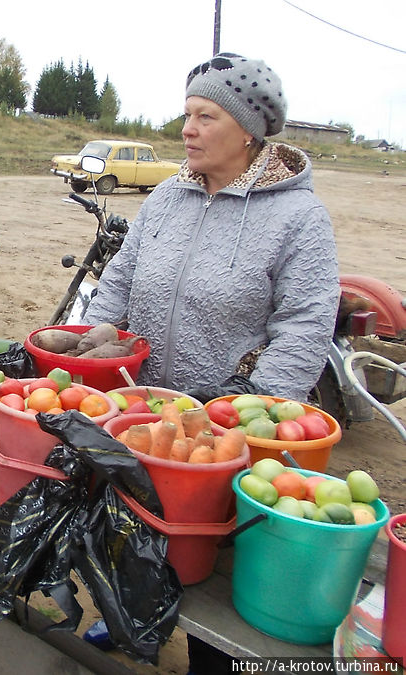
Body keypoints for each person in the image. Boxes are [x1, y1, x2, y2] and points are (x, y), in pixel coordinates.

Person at [83, 53, 339, 675]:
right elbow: (118, 280)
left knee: (207, 553)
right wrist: (96, 341)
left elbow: (305, 325)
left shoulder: (299, 217)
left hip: (221, 425)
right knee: (127, 518)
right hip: (139, 405)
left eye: (205, 116)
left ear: (249, 130)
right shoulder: (168, 196)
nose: (187, 130)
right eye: (186, 114)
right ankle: (125, 616)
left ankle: (210, 656)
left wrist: (252, 414)